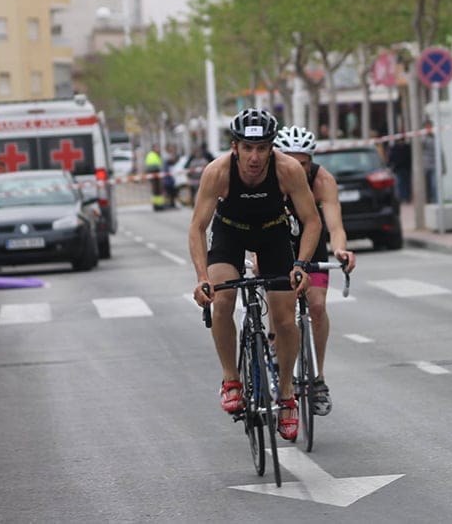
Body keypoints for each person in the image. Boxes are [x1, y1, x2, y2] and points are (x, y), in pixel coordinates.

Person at [189, 108, 323, 442]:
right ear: (235, 147)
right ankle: (231, 379)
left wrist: (301, 266)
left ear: (270, 147)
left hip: (272, 234)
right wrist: (202, 276)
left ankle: (288, 394)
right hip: (230, 233)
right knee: (222, 300)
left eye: (262, 148)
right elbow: (198, 227)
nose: (254, 157)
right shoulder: (217, 172)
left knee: (285, 318)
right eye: (247, 148)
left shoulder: (288, 170)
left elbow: (312, 221)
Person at [275, 125, 357, 416]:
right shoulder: (270, 178)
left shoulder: (323, 180)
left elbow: (335, 225)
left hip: (313, 241)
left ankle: (318, 379)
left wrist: (340, 250)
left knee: (318, 306)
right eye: (292, 162)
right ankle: (276, 347)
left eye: (304, 164)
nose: (298, 169)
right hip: (277, 243)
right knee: (280, 311)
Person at [421, 119, 444, 203]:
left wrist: (443, 166)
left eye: (430, 127)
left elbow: (441, 152)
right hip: (425, 165)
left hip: (435, 164)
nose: (429, 128)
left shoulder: (436, 138)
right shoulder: (422, 138)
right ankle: (428, 201)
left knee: (435, 185)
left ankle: (436, 202)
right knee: (427, 186)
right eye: (427, 127)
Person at [387, 138, 412, 203]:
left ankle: (407, 197)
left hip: (406, 168)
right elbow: (391, 158)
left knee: (406, 183)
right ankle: (402, 197)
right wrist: (390, 165)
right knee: (400, 183)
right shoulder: (395, 148)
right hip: (399, 168)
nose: (401, 142)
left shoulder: (407, 147)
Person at [145, 143, 166, 211]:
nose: (158, 149)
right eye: (157, 148)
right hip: (155, 173)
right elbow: (153, 165)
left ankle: (157, 205)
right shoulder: (153, 155)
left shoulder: (153, 154)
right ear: (153, 148)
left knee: (156, 190)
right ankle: (158, 205)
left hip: (155, 173)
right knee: (157, 190)